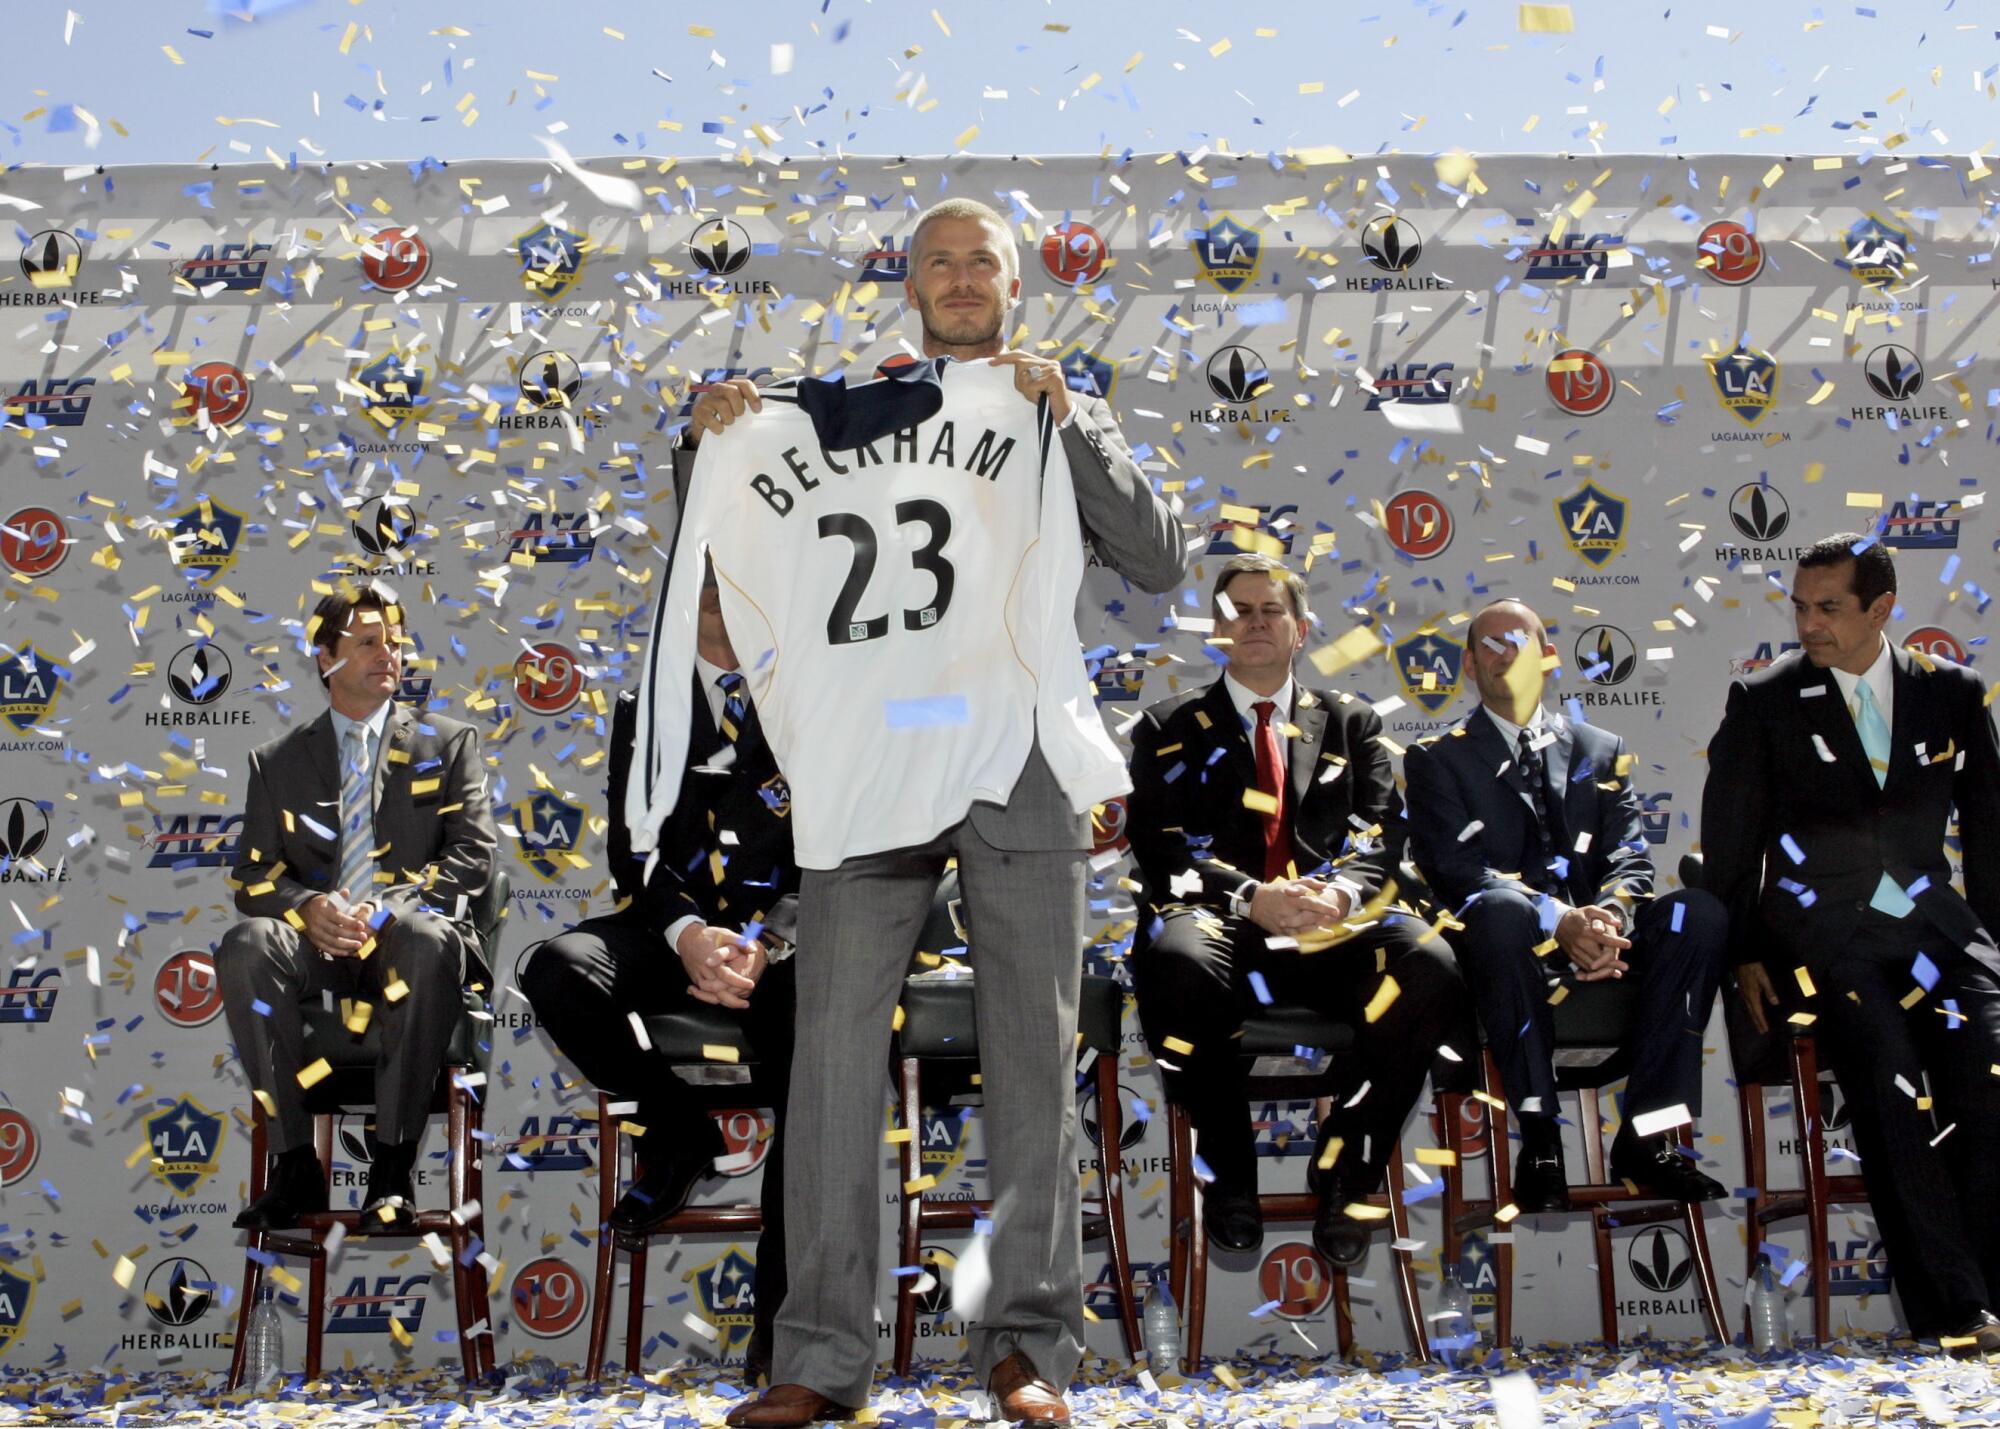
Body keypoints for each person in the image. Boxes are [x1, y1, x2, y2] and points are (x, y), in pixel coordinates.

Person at [694, 198, 1186, 1429]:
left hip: (1014, 755)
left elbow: (1158, 556)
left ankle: (1026, 1349)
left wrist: (1070, 419)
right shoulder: (847, 403)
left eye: (984, 263)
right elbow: (735, 538)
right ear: (905, 284)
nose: (962, 280)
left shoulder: (1057, 397)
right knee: (831, 1060)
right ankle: (819, 1356)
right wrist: (703, 442)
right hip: (873, 753)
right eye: (939, 263)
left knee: (1032, 1053)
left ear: (1016, 284)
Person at [1125, 553, 1473, 1266]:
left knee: (1428, 961)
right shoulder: (1166, 724)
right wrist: (1256, 897)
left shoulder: (1352, 721)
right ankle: (1230, 1176)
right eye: (1236, 611)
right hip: (1224, 925)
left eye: (1268, 610)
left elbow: (1383, 836)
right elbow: (1163, 850)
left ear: (1301, 629)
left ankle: (1349, 1172)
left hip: (1333, 926)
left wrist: (1337, 893)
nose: (1252, 622)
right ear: (1216, 633)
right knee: (1176, 959)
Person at [1703, 535, 2000, 1356]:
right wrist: (1745, 954)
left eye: (1827, 606)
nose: (1809, 623)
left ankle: (1991, 1286)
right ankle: (1956, 1307)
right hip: (1826, 940)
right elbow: (1730, 846)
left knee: (1990, 1074)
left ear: (1880, 608)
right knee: (1891, 1086)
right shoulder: (1763, 699)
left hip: (1939, 932)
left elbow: (1990, 835)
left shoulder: (1955, 692)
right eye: (1800, 606)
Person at [520, 564, 798, 1383]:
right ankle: (677, 1133)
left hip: (773, 952)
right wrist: (685, 934)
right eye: (710, 589)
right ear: (687, 602)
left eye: (746, 583)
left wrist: (764, 940)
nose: (726, 603)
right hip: (669, 934)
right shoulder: (647, 707)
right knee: (560, 968)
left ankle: (785, 1330)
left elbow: (832, 845)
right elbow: (629, 850)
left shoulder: (809, 695)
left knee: (814, 1053)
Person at [1402, 599, 1728, 1212]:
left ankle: (1650, 1137)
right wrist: (1563, 920)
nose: (1506, 654)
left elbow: (1630, 861)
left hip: (1605, 944)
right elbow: (1456, 871)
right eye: (1490, 645)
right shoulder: (1436, 758)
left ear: (1548, 658)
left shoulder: (1601, 749)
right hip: (1504, 953)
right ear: (1469, 665)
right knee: (1500, 909)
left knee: (1699, 914)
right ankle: (1542, 1138)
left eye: (1520, 641)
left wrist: (1609, 920)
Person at [218, 586, 497, 1233]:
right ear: (326, 658)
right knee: (246, 944)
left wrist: (385, 907)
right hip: (315, 952)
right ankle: (294, 1164)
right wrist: (306, 906)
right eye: (368, 642)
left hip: (405, 939)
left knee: (426, 939)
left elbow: (473, 858)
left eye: (394, 641)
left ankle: (392, 1165)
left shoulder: (449, 744)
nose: (388, 653)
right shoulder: (278, 762)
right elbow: (252, 877)